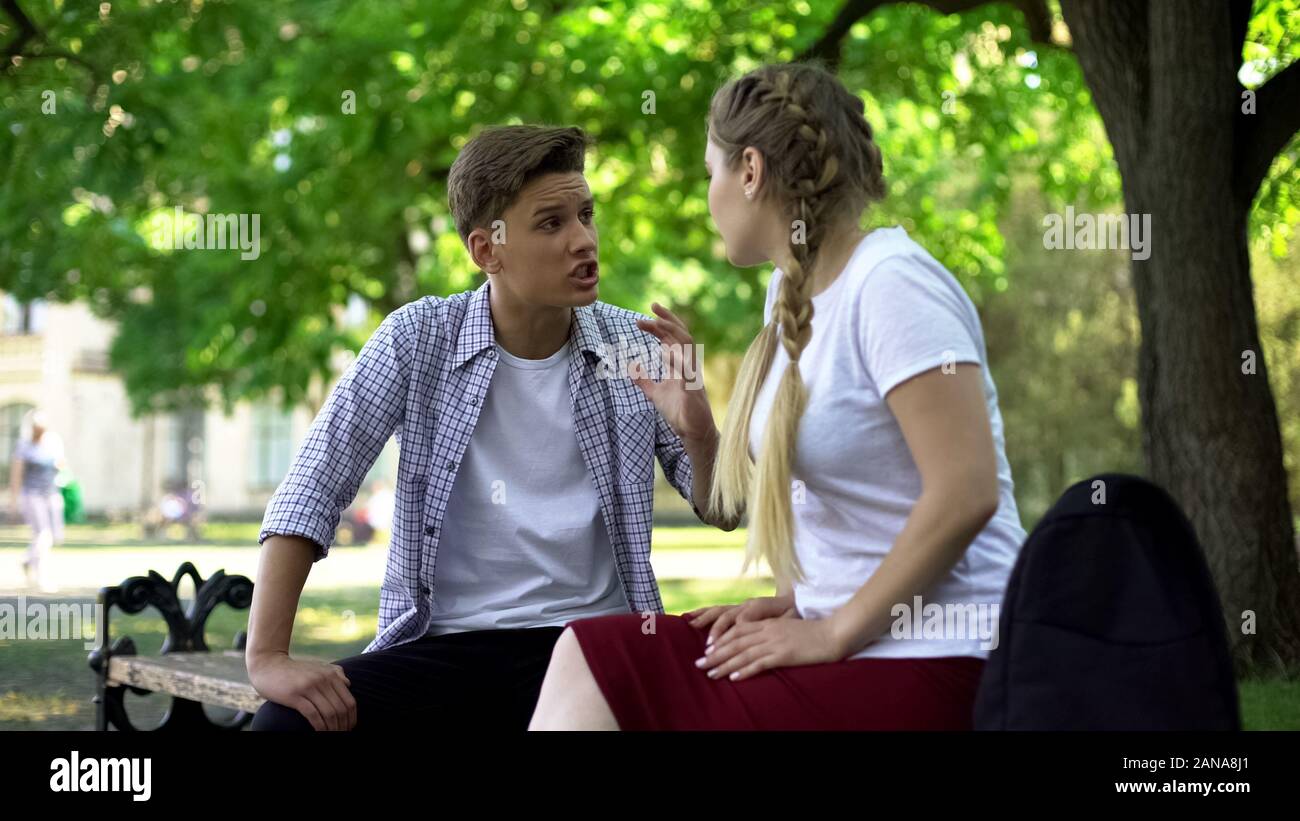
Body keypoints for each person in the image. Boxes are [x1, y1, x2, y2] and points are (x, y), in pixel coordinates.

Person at [530, 62, 1028, 730]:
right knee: (592, 650)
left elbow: (966, 491)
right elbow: (824, 503)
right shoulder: (788, 294)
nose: (709, 193)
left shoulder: (891, 286)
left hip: (942, 656)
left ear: (751, 171)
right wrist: (796, 596)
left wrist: (831, 631)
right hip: (854, 638)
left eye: (712, 171)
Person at [247, 125, 730, 731]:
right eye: (551, 223)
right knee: (282, 727)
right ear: (486, 251)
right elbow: (311, 489)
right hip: (448, 649)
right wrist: (268, 658)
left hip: (596, 647)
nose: (584, 240)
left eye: (585, 214)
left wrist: (701, 432)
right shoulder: (418, 338)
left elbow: (723, 509)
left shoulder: (628, 346)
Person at [9, 409, 67, 593]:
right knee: (43, 534)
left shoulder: (53, 442)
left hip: (51, 492)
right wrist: (14, 500)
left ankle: (27, 559)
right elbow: (17, 473)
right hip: (32, 494)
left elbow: (61, 464)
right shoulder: (24, 445)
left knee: (56, 534)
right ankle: (42, 576)